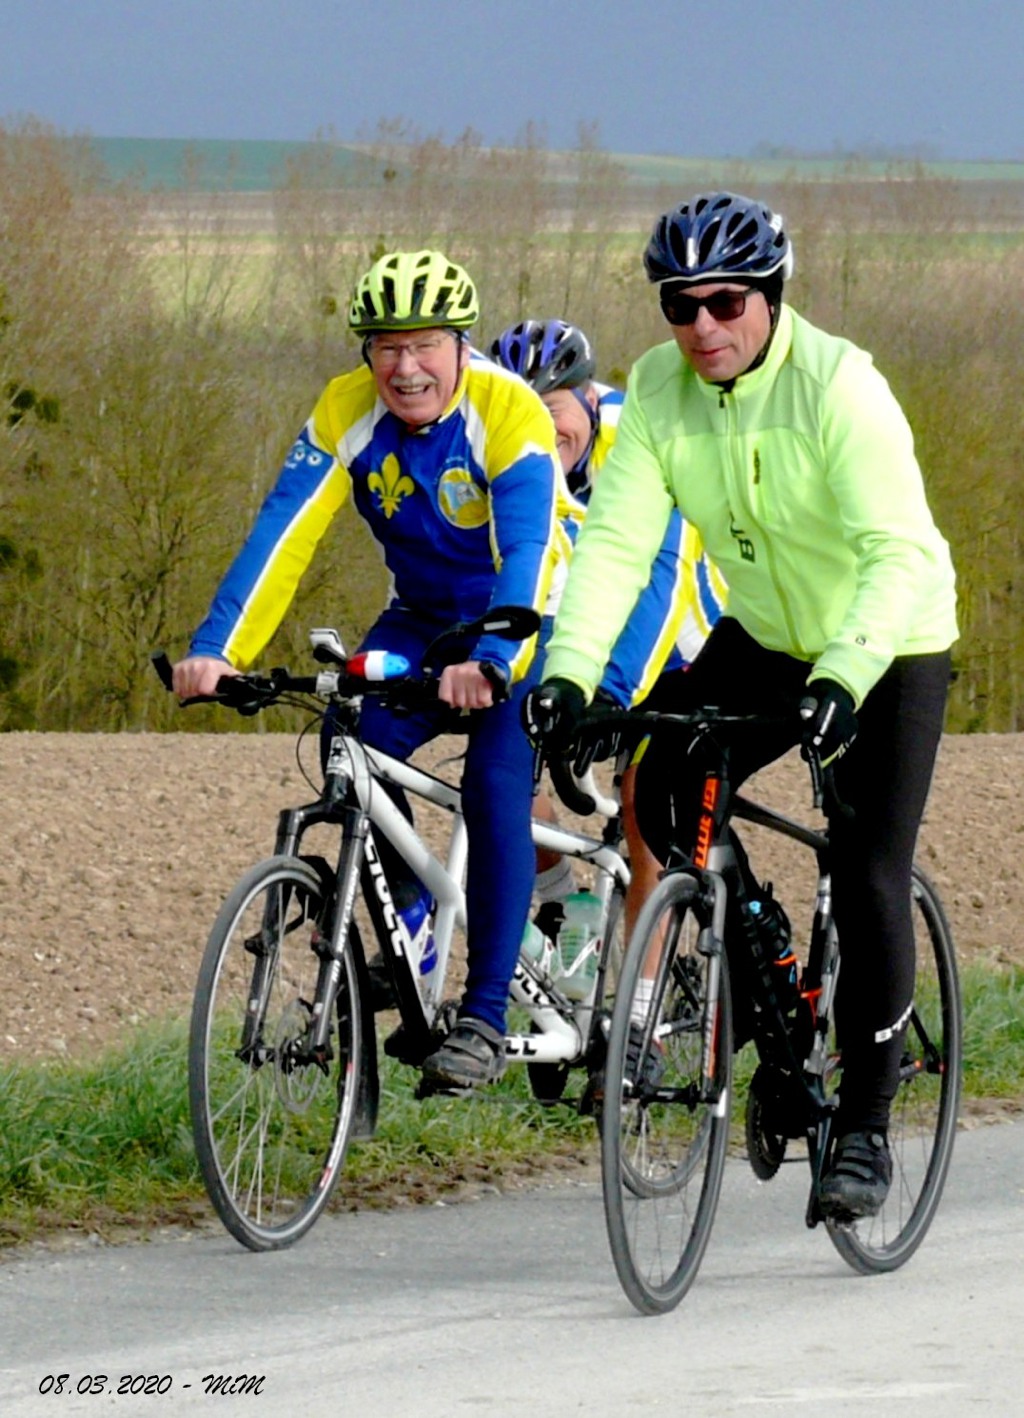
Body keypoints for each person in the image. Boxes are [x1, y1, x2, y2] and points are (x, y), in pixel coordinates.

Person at [525, 192, 958, 1221]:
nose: (702, 326)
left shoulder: (837, 385)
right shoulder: (660, 392)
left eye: (725, 302)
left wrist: (843, 678)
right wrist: (571, 676)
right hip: (765, 633)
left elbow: (896, 552)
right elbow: (617, 546)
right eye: (680, 306)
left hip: (888, 640)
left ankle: (864, 1124)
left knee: (866, 866)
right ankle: (768, 982)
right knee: (659, 786)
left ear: (770, 296)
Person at [173, 248, 568, 1091]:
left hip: (525, 622)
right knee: (350, 741)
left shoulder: (509, 410)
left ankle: (484, 1016)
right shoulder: (344, 408)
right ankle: (413, 920)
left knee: (494, 785)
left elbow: (528, 548)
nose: (406, 367)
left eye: (424, 345)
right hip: (421, 618)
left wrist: (495, 659)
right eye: (387, 347)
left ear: (460, 346)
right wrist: (219, 650)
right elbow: (283, 533)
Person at [487, 318, 725, 941]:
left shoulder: (636, 436)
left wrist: (610, 693)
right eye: (525, 413)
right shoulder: (508, 447)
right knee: (506, 749)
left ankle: (639, 998)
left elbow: (663, 577)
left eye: (553, 411)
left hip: (679, 633)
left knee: (646, 807)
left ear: (590, 397)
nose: (542, 432)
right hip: (586, 623)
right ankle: (562, 904)